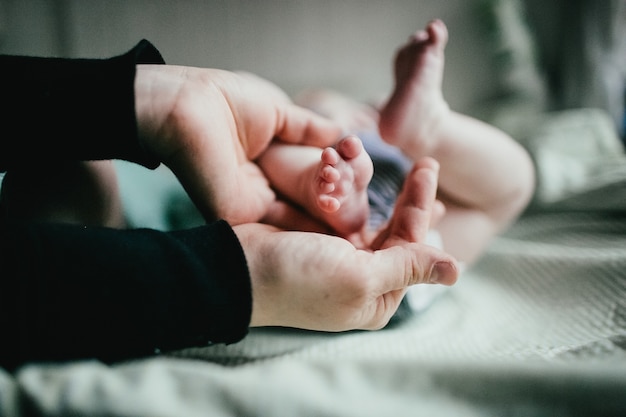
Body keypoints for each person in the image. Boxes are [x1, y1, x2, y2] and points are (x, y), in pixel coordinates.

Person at [0, 38, 459, 371]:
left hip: (377, 268)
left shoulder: (412, 184)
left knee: (511, 178)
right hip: (144, 239)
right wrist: (321, 191)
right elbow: (275, 166)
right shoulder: (293, 156)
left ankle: (428, 123)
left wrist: (427, 130)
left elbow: (509, 186)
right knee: (77, 174)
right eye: (336, 112)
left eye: (360, 114)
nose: (354, 122)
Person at [256, 19, 536, 264]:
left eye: (353, 112)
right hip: (343, 247)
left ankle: (429, 129)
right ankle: (428, 131)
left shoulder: (376, 139)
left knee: (510, 188)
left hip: (406, 245)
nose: (345, 122)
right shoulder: (320, 142)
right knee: (510, 190)